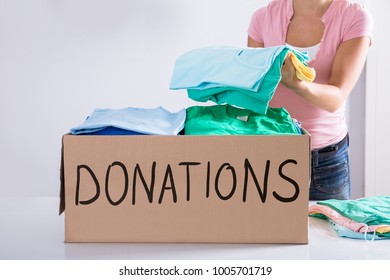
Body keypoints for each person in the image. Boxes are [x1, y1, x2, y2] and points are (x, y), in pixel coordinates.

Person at [247, 0, 373, 200]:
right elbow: (256, 92)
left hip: (324, 160)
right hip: (269, 155)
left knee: (327, 231)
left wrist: (297, 84)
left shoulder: (354, 17)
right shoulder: (263, 17)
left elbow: (336, 98)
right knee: (270, 231)